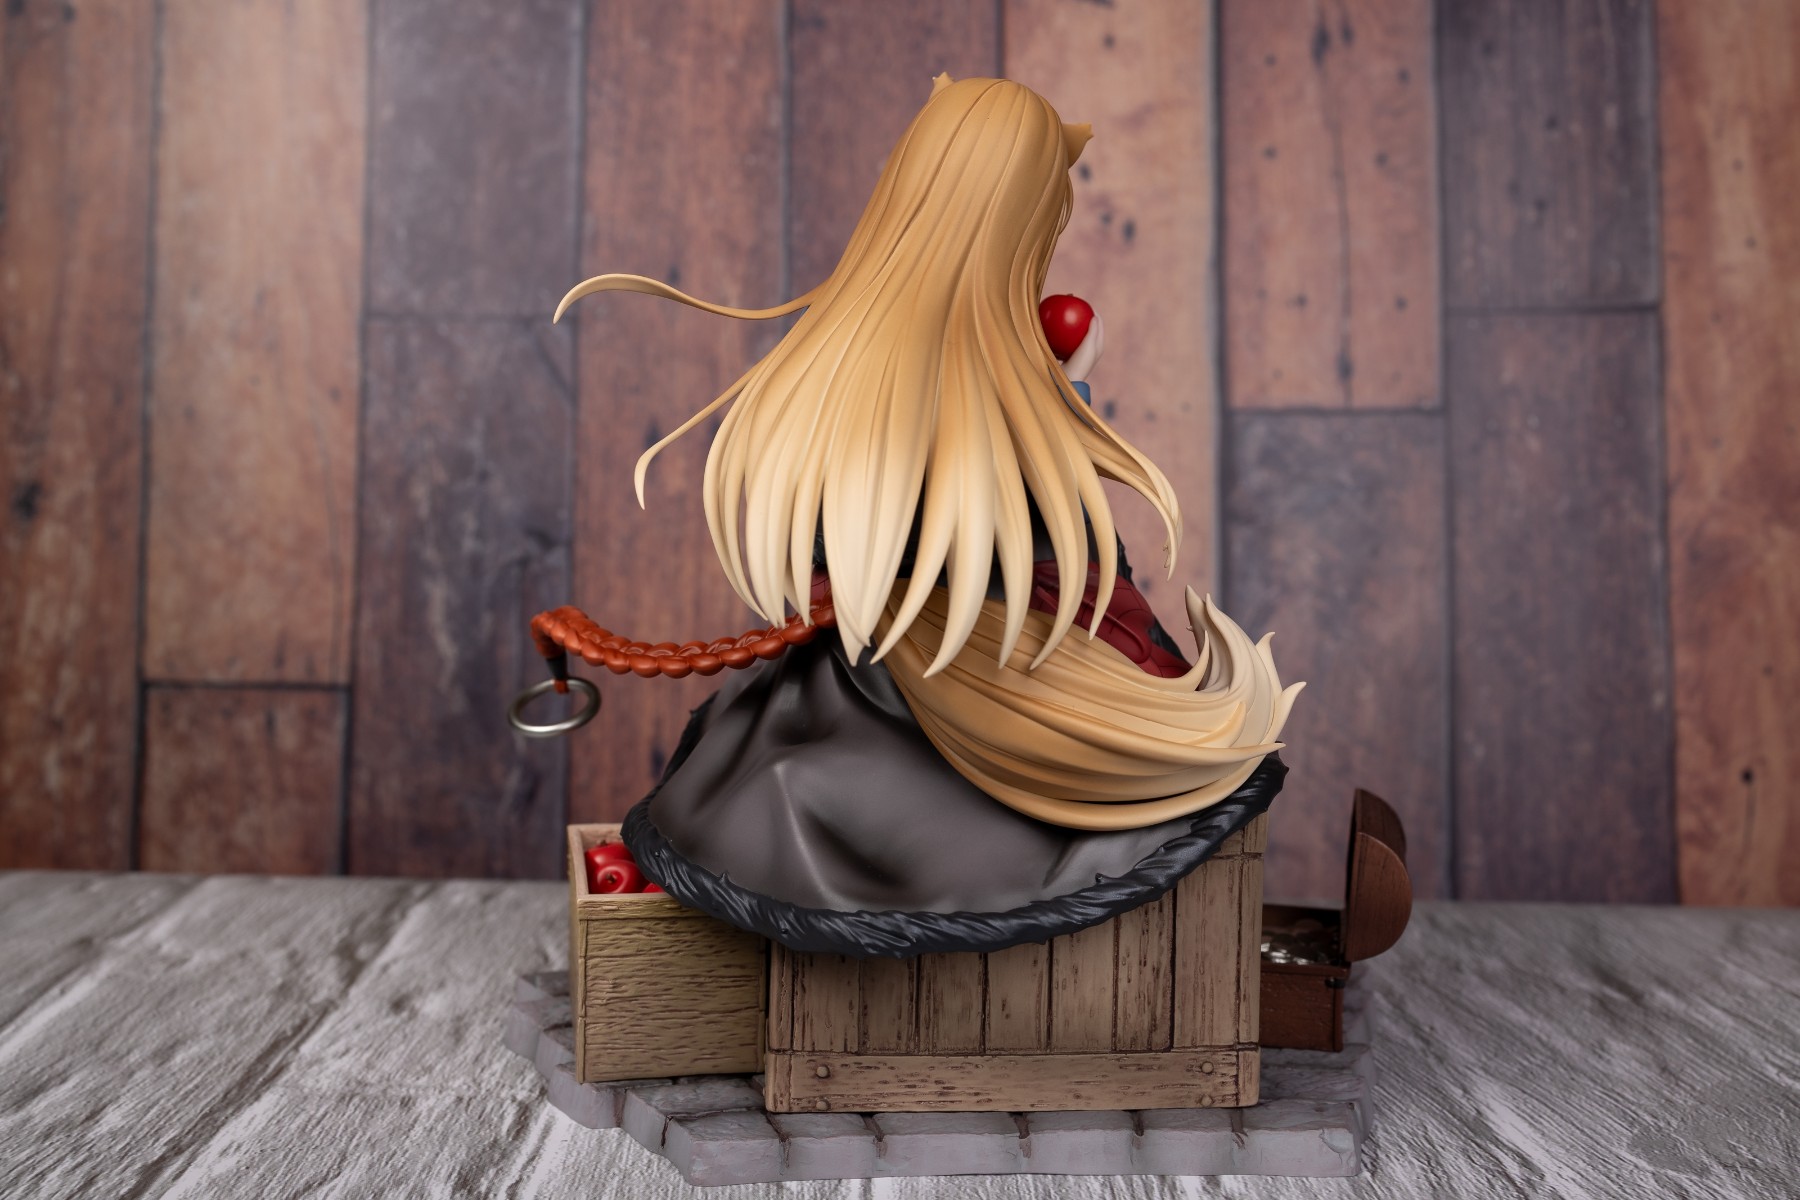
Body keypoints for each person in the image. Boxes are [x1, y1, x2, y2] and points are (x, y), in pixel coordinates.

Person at [550, 76, 1301, 955]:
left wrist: (1060, 394)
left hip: (863, 668)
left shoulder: (839, 352)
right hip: (930, 674)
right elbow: (1034, 542)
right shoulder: (970, 379)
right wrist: (1065, 402)